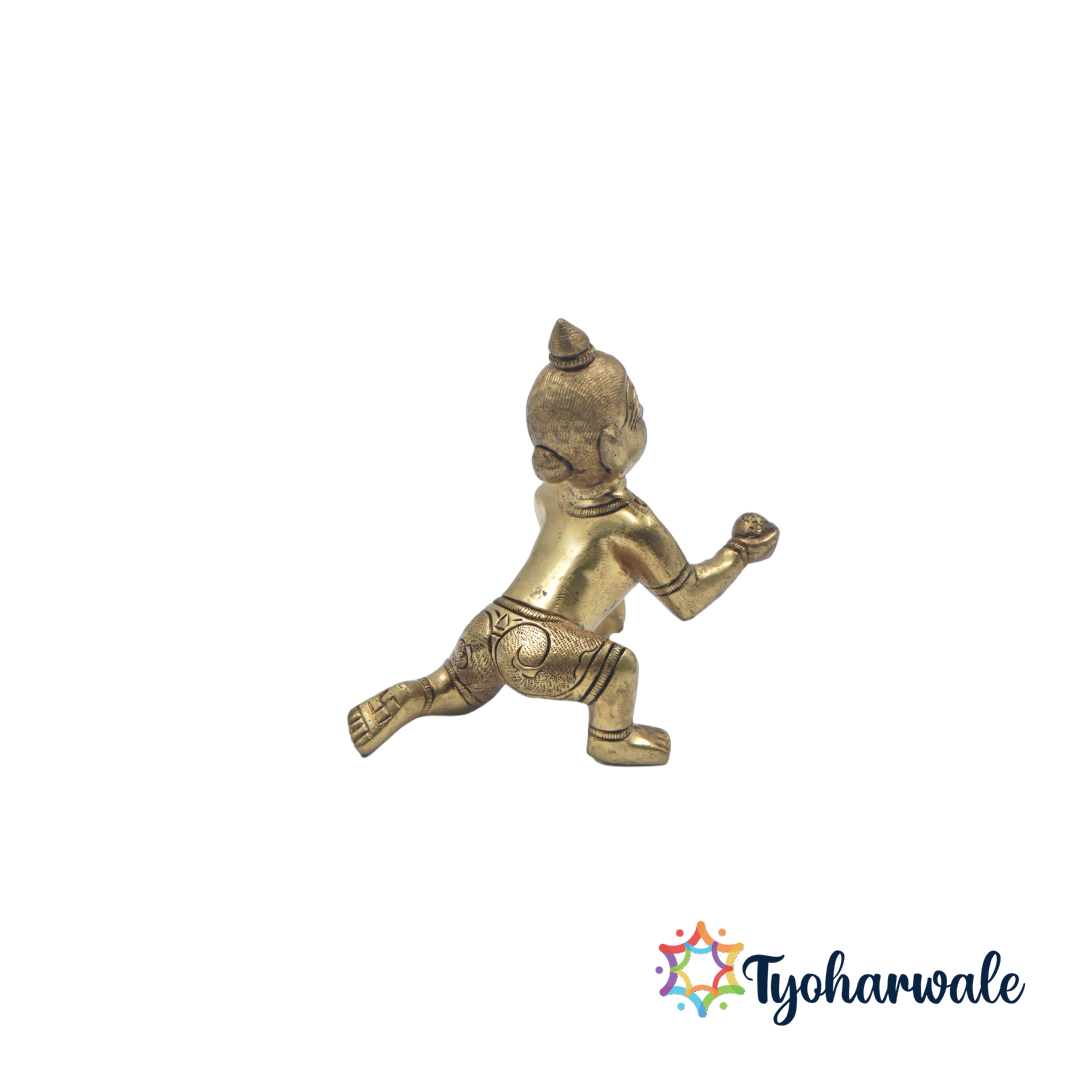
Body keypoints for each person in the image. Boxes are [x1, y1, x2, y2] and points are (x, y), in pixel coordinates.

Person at [348, 318, 778, 765]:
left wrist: (603, 605)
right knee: (621, 667)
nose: (642, 420)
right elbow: (687, 599)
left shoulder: (550, 496)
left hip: (491, 624)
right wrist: (739, 552)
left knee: (454, 685)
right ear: (613, 446)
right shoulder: (631, 523)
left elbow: (573, 560)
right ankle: (611, 738)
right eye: (636, 415)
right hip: (542, 647)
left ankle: (417, 694)